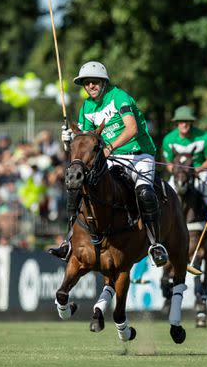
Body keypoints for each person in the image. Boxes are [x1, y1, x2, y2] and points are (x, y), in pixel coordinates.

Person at [49, 61, 168, 267]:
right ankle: (70, 240)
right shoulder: (86, 107)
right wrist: (69, 139)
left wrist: (109, 148)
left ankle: (154, 243)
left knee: (144, 192)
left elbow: (131, 129)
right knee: (78, 185)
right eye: (86, 83)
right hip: (110, 158)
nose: (90, 86)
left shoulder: (119, 97)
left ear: (103, 82)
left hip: (138, 154)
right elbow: (84, 140)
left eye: (94, 82)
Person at [162, 105, 207, 263]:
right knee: (163, 200)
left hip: (199, 172)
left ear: (191, 122)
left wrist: (199, 168)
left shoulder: (204, 136)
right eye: (181, 121)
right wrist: (175, 172)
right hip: (178, 176)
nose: (184, 124)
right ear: (176, 123)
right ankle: (159, 243)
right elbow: (168, 162)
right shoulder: (168, 139)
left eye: (187, 121)